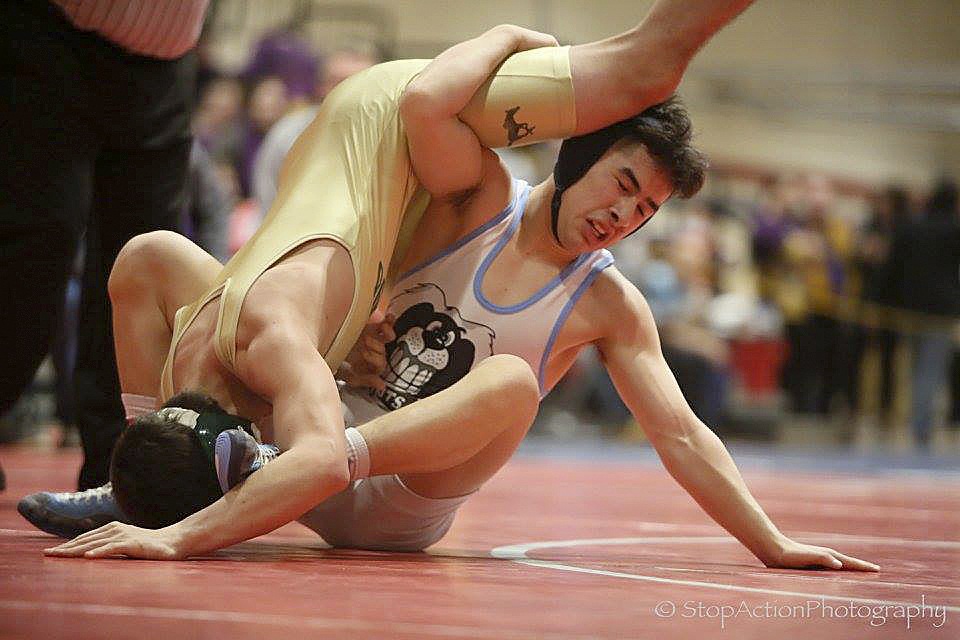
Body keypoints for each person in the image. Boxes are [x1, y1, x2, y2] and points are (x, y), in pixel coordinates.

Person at [35, 1, 874, 571]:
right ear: (577, 155)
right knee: (150, 254)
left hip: (393, 500)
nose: (626, 216)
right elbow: (426, 105)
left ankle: (285, 471)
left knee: (509, 381)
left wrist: (771, 542)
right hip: (311, 426)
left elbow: (681, 434)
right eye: (623, 185)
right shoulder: (477, 200)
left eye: (647, 209)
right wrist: (510, 36)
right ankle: (149, 466)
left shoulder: (608, 302)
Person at [0, 0, 208, 492]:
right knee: (34, 249)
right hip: (49, 35)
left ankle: (118, 471)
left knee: (141, 264)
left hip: (165, 57)